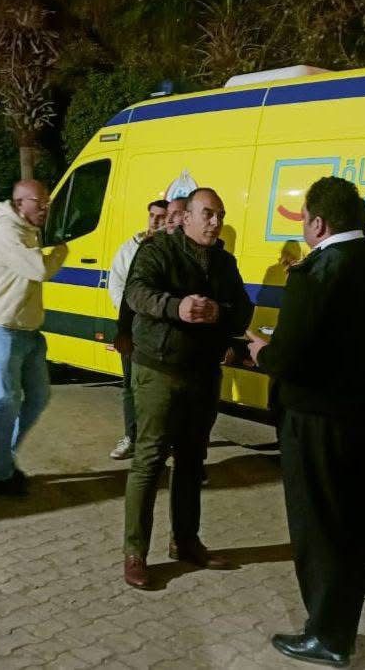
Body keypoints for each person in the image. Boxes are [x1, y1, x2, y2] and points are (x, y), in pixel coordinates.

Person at [247, 176, 365, 667]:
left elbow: (290, 357)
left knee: (319, 530)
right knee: (355, 526)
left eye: (303, 219)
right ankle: (340, 628)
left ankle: (327, 636)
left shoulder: (315, 272)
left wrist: (262, 351)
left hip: (317, 423)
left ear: (317, 223)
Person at [121, 187, 253, 589]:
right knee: (150, 459)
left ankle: (186, 540)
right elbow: (136, 293)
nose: (215, 222)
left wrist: (219, 313)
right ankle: (135, 553)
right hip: (159, 369)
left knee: (193, 460)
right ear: (188, 217)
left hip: (203, 372)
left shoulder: (225, 263)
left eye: (220, 215)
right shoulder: (158, 251)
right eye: (208, 214)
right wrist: (174, 306)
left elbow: (242, 311)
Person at [0, 179, 68, 496]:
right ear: (19, 203)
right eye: (39, 202)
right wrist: (62, 250)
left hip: (28, 331)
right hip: (1, 330)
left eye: (47, 202)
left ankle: (5, 455)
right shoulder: (5, 232)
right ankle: (0, 474)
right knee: (8, 401)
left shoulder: (28, 231)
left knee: (38, 397)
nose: (45, 208)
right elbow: (39, 269)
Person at [107, 199, 169, 460]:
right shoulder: (130, 247)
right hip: (133, 328)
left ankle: (162, 440)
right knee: (130, 385)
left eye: (162, 216)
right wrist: (131, 316)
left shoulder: (173, 249)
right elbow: (116, 285)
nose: (156, 220)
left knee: (160, 389)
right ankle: (131, 437)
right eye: (153, 215)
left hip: (160, 333)